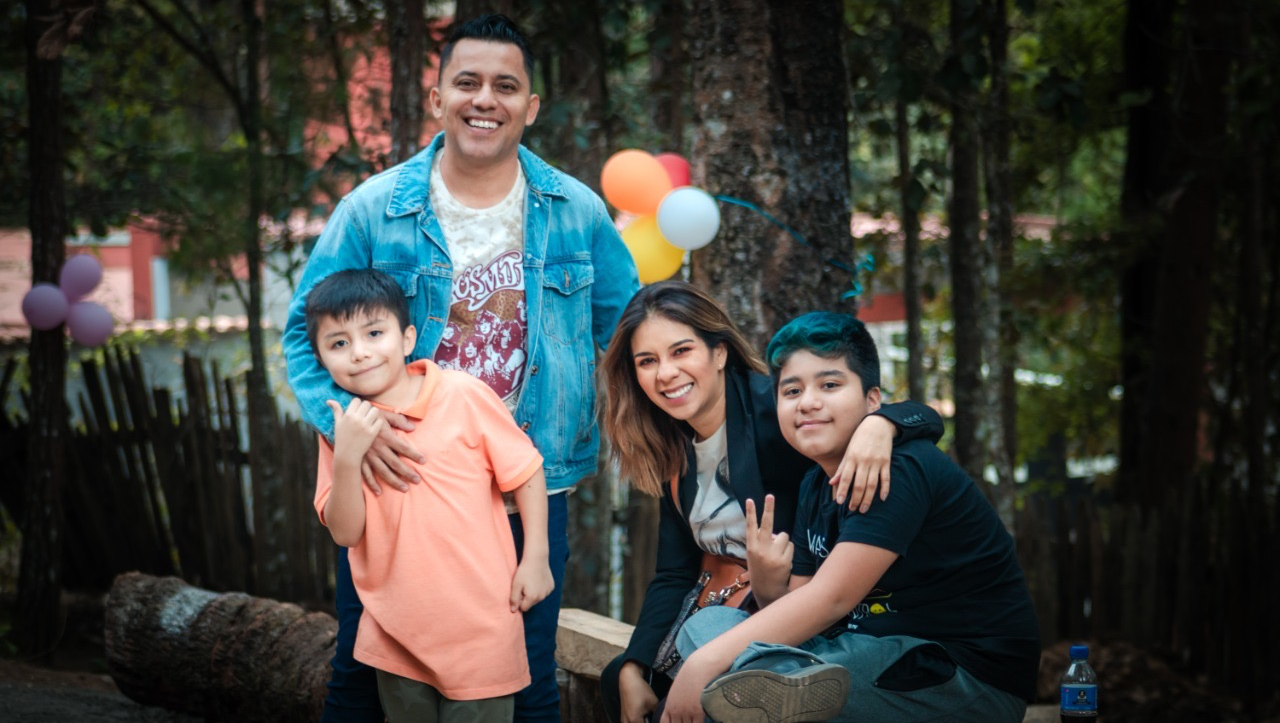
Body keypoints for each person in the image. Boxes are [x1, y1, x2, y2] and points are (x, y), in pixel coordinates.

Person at [282, 14, 639, 723]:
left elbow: (628, 332)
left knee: (527, 677)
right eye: (467, 82)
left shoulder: (576, 210)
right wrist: (351, 427)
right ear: (438, 97)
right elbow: (303, 333)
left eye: (506, 86)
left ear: (530, 106)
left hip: (526, 486)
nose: (486, 99)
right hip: (400, 484)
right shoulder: (374, 209)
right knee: (362, 676)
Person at [662, 311, 1041, 723]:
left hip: (960, 677)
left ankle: (773, 684)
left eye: (830, 384)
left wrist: (703, 665)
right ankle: (778, 685)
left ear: (872, 401)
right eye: (791, 391)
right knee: (709, 624)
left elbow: (832, 599)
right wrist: (770, 586)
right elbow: (806, 616)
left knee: (719, 663)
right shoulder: (814, 484)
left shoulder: (899, 468)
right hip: (858, 660)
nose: (808, 402)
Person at [595, 282, 945, 723]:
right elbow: (673, 571)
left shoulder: (775, 409)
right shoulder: (673, 442)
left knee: (700, 697)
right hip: (757, 601)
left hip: (828, 614)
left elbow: (920, 417)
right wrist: (636, 664)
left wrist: (884, 423)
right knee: (618, 681)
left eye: (681, 351)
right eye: (647, 361)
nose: (665, 373)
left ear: (719, 353)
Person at [305, 268, 553, 722]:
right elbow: (345, 534)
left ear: (406, 338)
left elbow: (527, 470)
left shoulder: (462, 395)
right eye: (338, 343)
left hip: (481, 629)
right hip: (395, 634)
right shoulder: (340, 426)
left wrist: (536, 558)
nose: (359, 353)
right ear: (321, 359)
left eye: (374, 333)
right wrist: (347, 455)